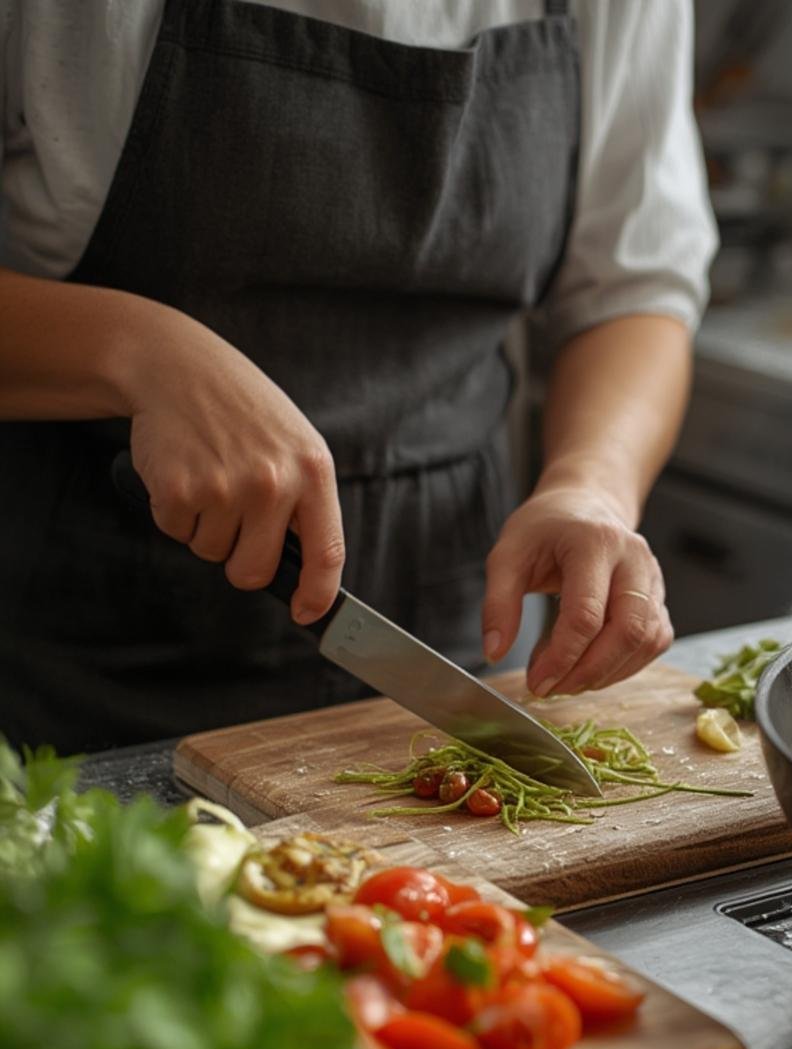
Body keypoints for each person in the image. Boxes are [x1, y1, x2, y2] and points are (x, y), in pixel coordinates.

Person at [0, 0, 716, 754]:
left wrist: (591, 485)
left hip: (456, 618)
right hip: (76, 650)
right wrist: (137, 353)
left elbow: (634, 288)